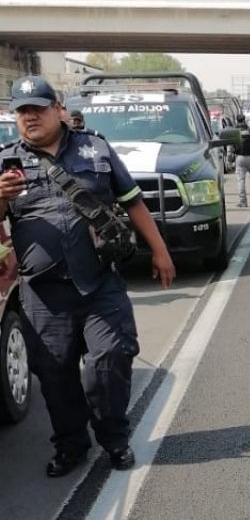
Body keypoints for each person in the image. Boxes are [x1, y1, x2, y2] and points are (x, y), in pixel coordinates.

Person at [0, 76, 176, 477]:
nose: (30, 118)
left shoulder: (95, 148)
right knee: (55, 376)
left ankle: (114, 440)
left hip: (99, 283)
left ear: (57, 109)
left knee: (110, 361)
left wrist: (160, 251)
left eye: (37, 109)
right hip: (43, 295)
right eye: (22, 111)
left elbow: (133, 201)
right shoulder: (6, 162)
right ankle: (71, 446)